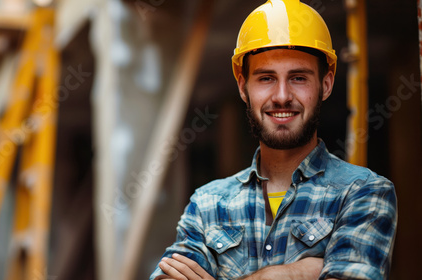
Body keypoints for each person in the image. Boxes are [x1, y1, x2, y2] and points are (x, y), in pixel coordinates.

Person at [149, 0, 398, 279]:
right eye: (266, 78)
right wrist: (293, 273)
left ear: (325, 85)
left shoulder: (363, 193)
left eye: (299, 78)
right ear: (244, 87)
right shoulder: (208, 204)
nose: (281, 96)